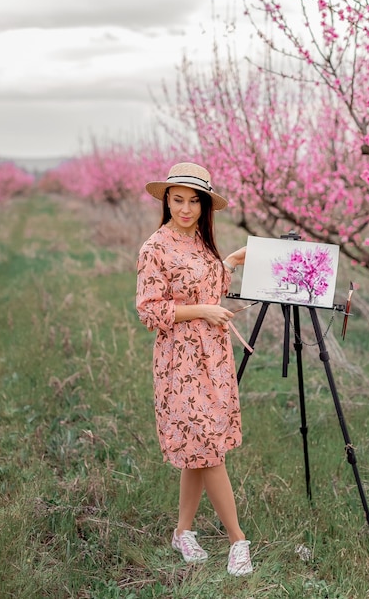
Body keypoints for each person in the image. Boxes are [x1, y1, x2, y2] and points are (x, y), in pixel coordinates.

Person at [135, 162, 253, 576]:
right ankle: (238, 539)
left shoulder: (202, 243)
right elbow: (149, 311)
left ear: (204, 207)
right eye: (178, 200)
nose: (185, 209)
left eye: (194, 202)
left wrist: (233, 260)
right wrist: (202, 310)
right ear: (166, 200)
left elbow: (209, 283)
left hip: (213, 357)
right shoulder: (155, 246)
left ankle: (183, 531)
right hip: (179, 360)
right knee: (207, 447)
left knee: (198, 449)